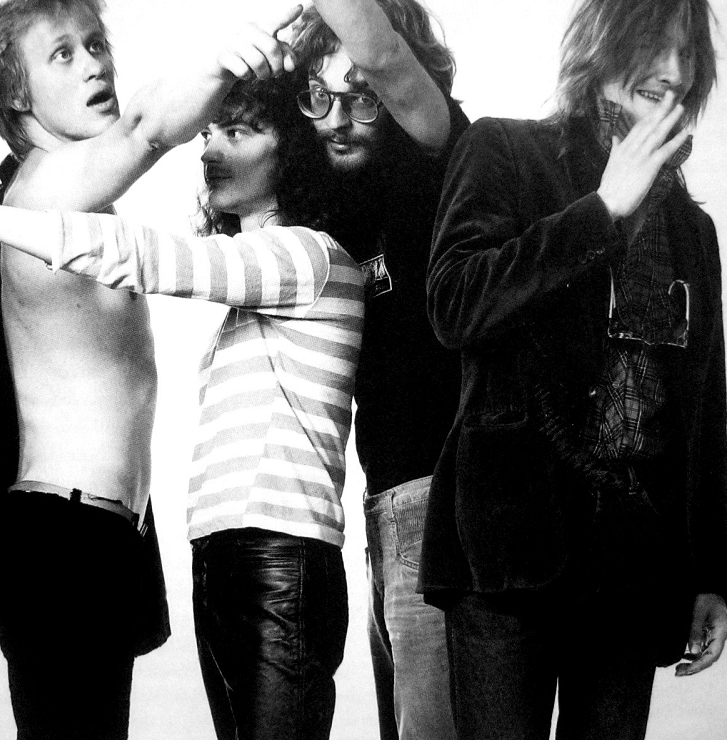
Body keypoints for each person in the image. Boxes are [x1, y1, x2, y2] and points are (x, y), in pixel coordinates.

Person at [0, 71, 365, 740]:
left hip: (281, 563)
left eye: (238, 132)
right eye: (209, 134)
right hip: (227, 558)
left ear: (292, 150)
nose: (211, 150)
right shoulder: (263, 288)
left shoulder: (309, 257)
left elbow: (140, 257)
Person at [0, 1, 300, 737]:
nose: (95, 64)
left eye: (95, 44)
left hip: (98, 535)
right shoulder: (43, 191)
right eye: (63, 54)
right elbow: (146, 129)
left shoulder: (83, 202)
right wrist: (225, 58)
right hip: (60, 539)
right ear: (17, 94)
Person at [422, 0, 727, 737]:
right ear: (601, 46)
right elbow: (455, 305)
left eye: (688, 53)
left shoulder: (693, 230)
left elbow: (702, 408)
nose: (674, 70)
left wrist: (710, 577)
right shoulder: (504, 150)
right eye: (654, 44)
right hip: (507, 553)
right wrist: (602, 211)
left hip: (633, 567)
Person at [290, 2, 468, 737]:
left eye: (361, 97)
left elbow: (389, 57)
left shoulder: (436, 159)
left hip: (437, 503)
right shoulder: (333, 208)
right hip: (381, 508)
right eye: (319, 95)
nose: (336, 119)